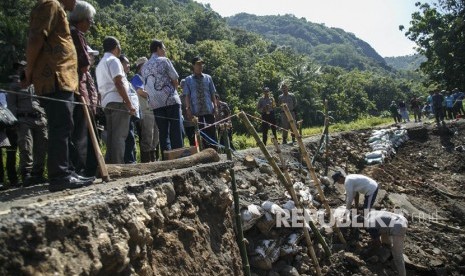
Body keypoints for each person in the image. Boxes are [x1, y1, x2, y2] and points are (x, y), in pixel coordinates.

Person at [26, 0, 94, 192]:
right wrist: (29, 71)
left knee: (65, 126)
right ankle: (60, 175)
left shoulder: (58, 9)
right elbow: (35, 38)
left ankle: (68, 171)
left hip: (63, 80)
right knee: (60, 126)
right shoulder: (50, 4)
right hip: (54, 78)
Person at [68, 0, 98, 175]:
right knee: (82, 132)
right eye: (90, 20)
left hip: (75, 89)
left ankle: (83, 168)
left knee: (79, 131)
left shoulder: (68, 32)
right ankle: (84, 170)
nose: (90, 24)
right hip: (78, 90)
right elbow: (85, 66)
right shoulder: (75, 34)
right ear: (82, 19)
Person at [96, 36, 135, 164]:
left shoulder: (100, 64)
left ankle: (110, 164)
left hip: (106, 102)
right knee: (119, 136)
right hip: (118, 101)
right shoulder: (114, 60)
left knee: (112, 136)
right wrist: (129, 104)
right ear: (116, 47)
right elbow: (118, 83)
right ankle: (118, 165)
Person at [141, 39, 183, 158]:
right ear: (158, 49)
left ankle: (167, 158)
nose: (164, 51)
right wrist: (173, 92)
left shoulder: (144, 67)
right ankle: (179, 157)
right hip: (170, 100)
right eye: (163, 48)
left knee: (163, 133)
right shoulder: (164, 60)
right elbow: (175, 80)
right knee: (175, 130)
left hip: (155, 104)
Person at [7, 70, 48, 187]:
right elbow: (11, 105)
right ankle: (27, 174)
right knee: (26, 146)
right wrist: (15, 122)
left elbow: (44, 101)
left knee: (42, 146)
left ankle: (38, 173)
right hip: (24, 119)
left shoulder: (39, 84)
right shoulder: (15, 86)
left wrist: (45, 116)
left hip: (40, 119)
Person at [184, 56, 218, 150]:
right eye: (198, 64)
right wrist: (188, 109)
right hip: (196, 111)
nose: (200, 66)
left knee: (212, 131)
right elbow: (187, 95)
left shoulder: (208, 78)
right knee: (201, 133)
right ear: (193, 66)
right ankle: (205, 153)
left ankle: (215, 151)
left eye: (201, 64)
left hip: (208, 110)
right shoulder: (188, 80)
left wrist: (215, 106)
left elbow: (212, 93)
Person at [132, 57, 159, 162]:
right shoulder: (137, 77)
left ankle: (154, 160)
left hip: (154, 110)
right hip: (145, 111)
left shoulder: (150, 78)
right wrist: (154, 94)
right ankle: (146, 162)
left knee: (155, 137)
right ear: (140, 66)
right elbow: (140, 91)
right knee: (147, 137)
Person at [365, 210, 408, 276]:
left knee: (397, 255)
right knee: (384, 241)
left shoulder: (370, 226)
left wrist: (370, 252)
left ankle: (402, 274)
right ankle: (387, 256)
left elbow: (377, 243)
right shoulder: (370, 213)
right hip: (400, 219)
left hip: (398, 226)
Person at [119, 54, 139, 164]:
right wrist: (130, 106)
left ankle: (131, 160)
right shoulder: (119, 77)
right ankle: (129, 162)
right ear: (120, 64)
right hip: (126, 110)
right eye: (126, 63)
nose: (129, 65)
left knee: (131, 139)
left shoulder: (125, 78)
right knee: (129, 138)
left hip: (131, 112)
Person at [180, 79, 196, 147]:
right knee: (191, 139)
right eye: (183, 86)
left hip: (196, 122)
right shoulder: (180, 98)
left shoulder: (193, 95)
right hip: (186, 123)